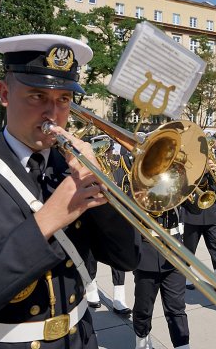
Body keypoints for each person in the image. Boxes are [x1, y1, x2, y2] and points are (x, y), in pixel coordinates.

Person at [0, 34, 140, 348]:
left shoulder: (70, 169)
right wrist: (45, 222)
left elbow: (127, 257)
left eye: (64, 99)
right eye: (38, 96)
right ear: (5, 93)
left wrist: (103, 185)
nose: (53, 112)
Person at [83, 135, 132, 316]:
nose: (108, 153)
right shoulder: (88, 168)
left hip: (115, 215)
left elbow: (127, 185)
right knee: (91, 257)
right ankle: (91, 288)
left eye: (109, 149)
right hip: (94, 214)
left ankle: (119, 297)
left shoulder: (120, 165)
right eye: (104, 150)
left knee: (118, 255)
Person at [133, 208, 190, 349]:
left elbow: (194, 209)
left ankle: (182, 345)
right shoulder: (135, 186)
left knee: (177, 308)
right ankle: (142, 343)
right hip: (146, 252)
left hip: (174, 253)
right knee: (143, 308)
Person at [183, 162, 216, 290]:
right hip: (193, 212)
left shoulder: (214, 162)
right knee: (190, 247)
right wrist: (204, 171)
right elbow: (186, 184)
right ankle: (187, 277)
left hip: (212, 213)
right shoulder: (191, 162)